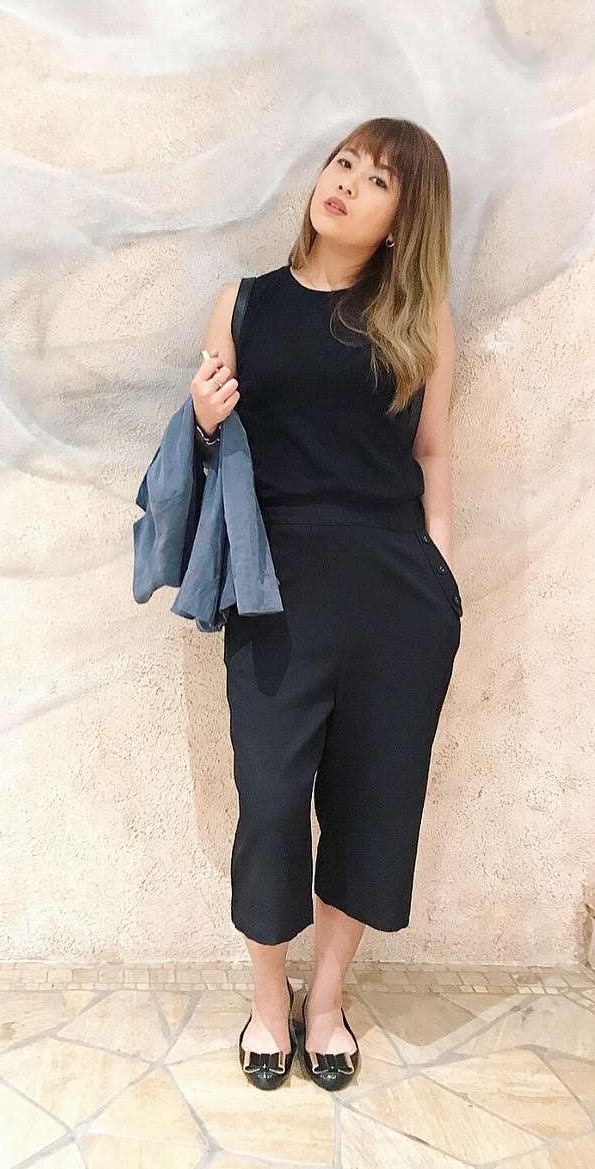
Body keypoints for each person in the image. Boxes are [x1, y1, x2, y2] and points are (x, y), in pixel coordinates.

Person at [191, 118, 462, 1091]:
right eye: (343, 161)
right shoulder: (246, 304)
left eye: (377, 178)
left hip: (399, 593)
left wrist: (441, 568)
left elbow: (431, 454)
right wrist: (209, 423)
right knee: (270, 799)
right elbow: (218, 466)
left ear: (403, 218)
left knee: (374, 798)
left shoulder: (419, 320)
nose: (346, 182)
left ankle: (325, 1000)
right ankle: (269, 999)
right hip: (277, 586)